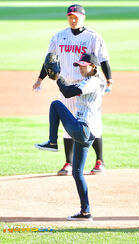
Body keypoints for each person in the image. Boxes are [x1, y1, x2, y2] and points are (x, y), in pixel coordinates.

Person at [33, 4, 113, 176]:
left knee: (92, 123)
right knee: (67, 124)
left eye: (76, 16)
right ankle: (68, 163)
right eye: (70, 16)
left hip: (87, 85)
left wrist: (109, 79)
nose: (73, 19)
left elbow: (103, 59)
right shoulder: (59, 36)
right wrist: (40, 78)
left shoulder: (93, 37)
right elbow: (50, 60)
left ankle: (100, 161)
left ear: (83, 17)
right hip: (66, 85)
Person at [35, 53, 106, 221]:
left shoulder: (93, 81)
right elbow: (71, 89)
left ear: (93, 67)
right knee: (77, 172)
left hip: (83, 129)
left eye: (84, 65)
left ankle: (53, 142)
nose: (81, 68)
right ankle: (85, 211)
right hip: (89, 133)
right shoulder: (94, 80)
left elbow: (67, 93)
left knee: (56, 104)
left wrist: (58, 77)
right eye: (79, 65)